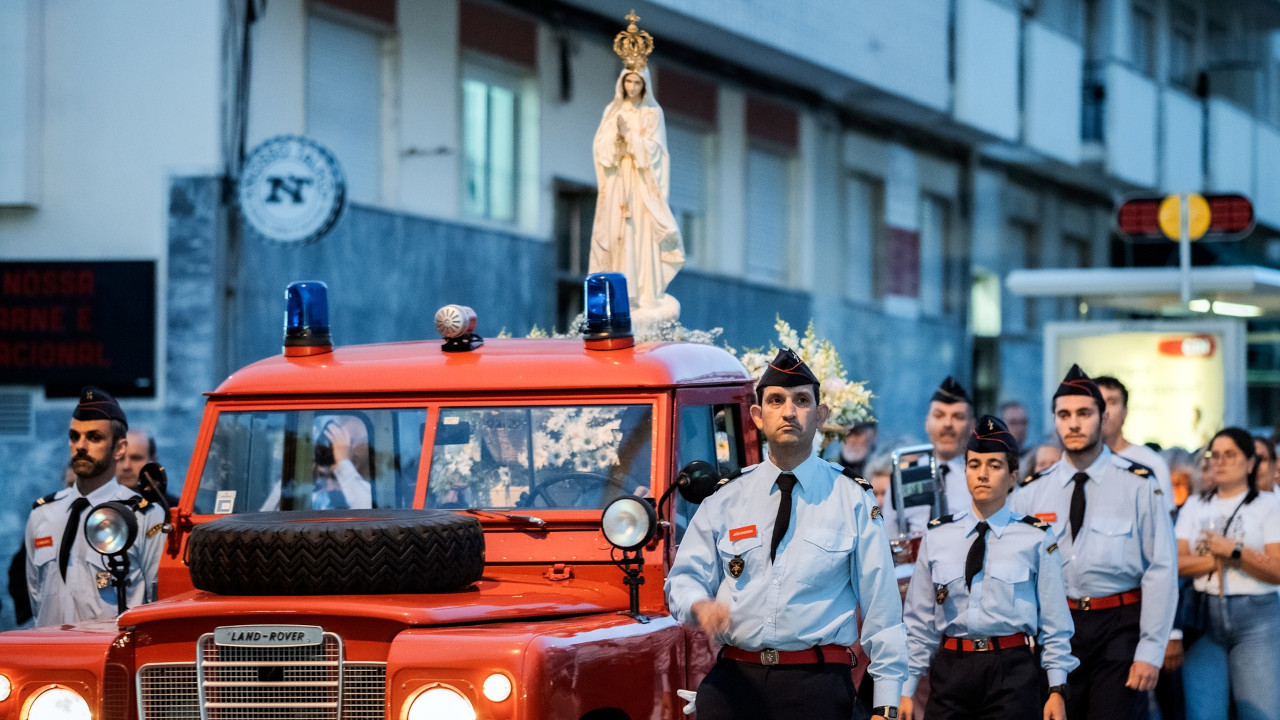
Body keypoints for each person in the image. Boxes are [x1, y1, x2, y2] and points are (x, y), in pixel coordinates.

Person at [666, 348, 908, 719]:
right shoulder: (726, 497)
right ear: (758, 417)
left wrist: (887, 703)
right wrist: (700, 604)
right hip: (734, 684)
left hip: (817, 687)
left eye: (801, 400)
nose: (789, 411)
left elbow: (883, 609)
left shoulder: (851, 497)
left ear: (820, 416)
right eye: (776, 401)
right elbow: (682, 579)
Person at [1009, 364, 1176, 719]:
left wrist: (1151, 649)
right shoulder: (1031, 492)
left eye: (1084, 413)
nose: (1073, 423)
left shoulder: (1138, 484)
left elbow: (1161, 569)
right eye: (1064, 414)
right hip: (1056, 629)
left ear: (1104, 416)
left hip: (1120, 624)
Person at [901, 416, 1076, 720]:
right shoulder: (939, 535)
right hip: (952, 666)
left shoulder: (1035, 536)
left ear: (1013, 477)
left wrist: (1056, 689)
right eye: (974, 465)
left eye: (994, 466)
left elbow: (1055, 621)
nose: (982, 474)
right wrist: (905, 689)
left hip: (1011, 669)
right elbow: (919, 624)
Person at [24, 387, 165, 626]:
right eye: (74, 436)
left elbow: (159, 601)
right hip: (50, 653)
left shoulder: (143, 516)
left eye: (94, 437)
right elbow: (37, 599)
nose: (80, 445)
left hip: (108, 657)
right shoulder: (43, 514)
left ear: (119, 449)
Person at [1175, 427, 1280, 720]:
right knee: (1203, 713)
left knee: (1261, 713)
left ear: (1250, 463)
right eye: (1214, 455)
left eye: (1230, 455)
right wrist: (1228, 559)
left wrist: (1231, 549)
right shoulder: (1194, 506)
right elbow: (1176, 563)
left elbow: (1277, 570)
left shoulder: (1269, 505)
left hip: (1258, 617)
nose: (1219, 462)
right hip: (1202, 615)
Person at [589, 17, 685, 317]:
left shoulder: (653, 113)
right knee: (616, 237)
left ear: (645, 84)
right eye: (628, 81)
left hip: (643, 187)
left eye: (637, 82)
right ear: (622, 83)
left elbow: (655, 152)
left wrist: (630, 137)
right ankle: (620, 295)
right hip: (618, 184)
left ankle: (643, 293)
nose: (632, 87)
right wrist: (616, 139)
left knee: (640, 238)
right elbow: (600, 150)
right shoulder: (612, 110)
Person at [1095, 376, 1177, 515]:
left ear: (1125, 412)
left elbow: (1165, 516)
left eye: (1112, 402)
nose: (1104, 410)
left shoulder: (1150, 463)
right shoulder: (1077, 463)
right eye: (1098, 402)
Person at [260, 416, 372, 511]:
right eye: (323, 476)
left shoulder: (365, 494)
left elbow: (370, 511)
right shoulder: (316, 499)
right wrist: (294, 474)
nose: (329, 487)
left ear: (353, 467)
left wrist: (342, 463)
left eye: (335, 477)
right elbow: (265, 520)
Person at [925, 376, 975, 517]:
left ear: (972, 426)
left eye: (958, 417)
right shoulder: (905, 476)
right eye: (939, 415)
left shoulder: (982, 477)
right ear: (926, 423)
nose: (948, 424)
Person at [116, 427, 179, 507]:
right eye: (120, 458)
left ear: (153, 461)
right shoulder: (99, 504)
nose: (126, 466)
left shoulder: (175, 509)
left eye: (136, 458)